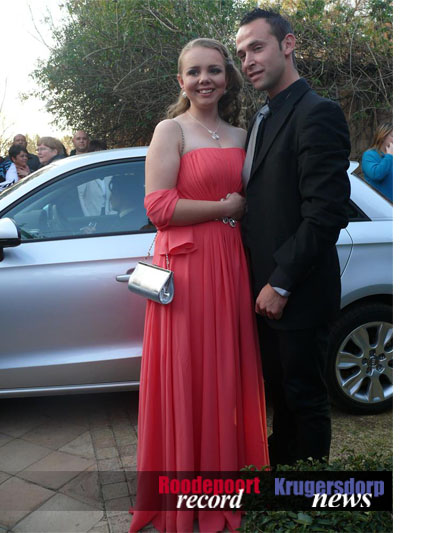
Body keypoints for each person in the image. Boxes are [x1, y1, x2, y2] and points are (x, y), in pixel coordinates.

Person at [130, 38, 269, 533]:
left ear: (227, 78)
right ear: (181, 81)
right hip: (186, 272)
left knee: (225, 375)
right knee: (189, 373)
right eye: (194, 72)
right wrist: (224, 208)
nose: (204, 79)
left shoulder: (243, 134)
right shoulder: (171, 130)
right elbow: (158, 207)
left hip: (230, 265)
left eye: (214, 70)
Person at [236, 8, 352, 467]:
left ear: (288, 44)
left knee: (304, 400)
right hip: (262, 290)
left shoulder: (317, 113)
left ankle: (308, 498)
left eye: (257, 47)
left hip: (297, 293)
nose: (248, 61)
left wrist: (281, 283)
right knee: (281, 401)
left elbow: (326, 213)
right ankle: (283, 489)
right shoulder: (262, 117)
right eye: (242, 53)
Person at [361, 122, 393, 202]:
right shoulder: (369, 155)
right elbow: (376, 175)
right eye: (393, 136)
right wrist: (389, 156)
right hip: (379, 205)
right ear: (383, 136)